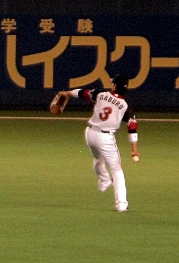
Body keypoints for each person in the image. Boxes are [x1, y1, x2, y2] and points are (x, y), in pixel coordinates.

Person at [60, 73, 140, 212]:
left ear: (114, 85)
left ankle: (104, 181)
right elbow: (132, 126)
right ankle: (121, 205)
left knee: (98, 158)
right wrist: (134, 148)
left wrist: (67, 93)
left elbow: (81, 93)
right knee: (117, 170)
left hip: (90, 134)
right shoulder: (125, 106)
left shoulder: (101, 94)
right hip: (105, 138)